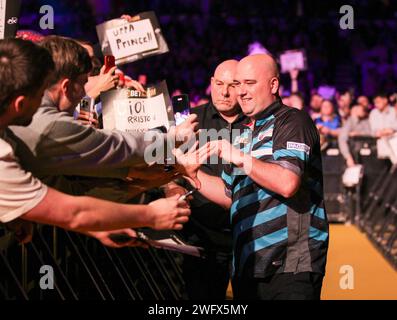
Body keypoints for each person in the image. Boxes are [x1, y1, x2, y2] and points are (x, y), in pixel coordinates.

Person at [0, 38, 190, 241]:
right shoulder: (36, 132)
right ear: (19, 104)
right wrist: (151, 215)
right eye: (41, 95)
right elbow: (73, 213)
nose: (85, 93)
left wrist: (17, 213)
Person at [176, 54, 328, 300]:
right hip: (248, 264)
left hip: (290, 262)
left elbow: (287, 183)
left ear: (273, 85)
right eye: (239, 84)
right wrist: (189, 173)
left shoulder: (292, 120)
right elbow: (228, 195)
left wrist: (239, 157)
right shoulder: (245, 134)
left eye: (249, 83)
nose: (241, 92)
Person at [164, 60, 249, 299]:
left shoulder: (258, 122)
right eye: (219, 84)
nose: (224, 92)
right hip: (202, 239)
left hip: (250, 238)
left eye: (232, 85)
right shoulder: (190, 122)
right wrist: (171, 188)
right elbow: (169, 166)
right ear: (211, 83)